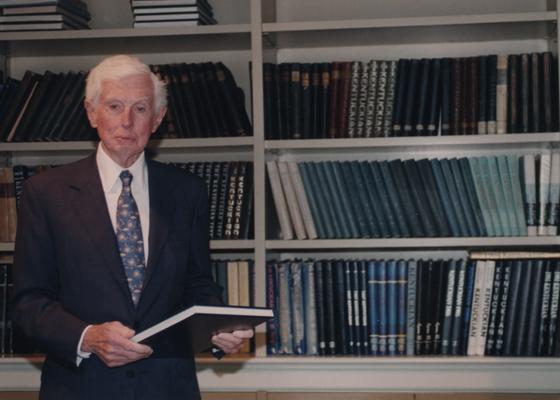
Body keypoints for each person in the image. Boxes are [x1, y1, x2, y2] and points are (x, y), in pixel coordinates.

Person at [12, 54, 253, 400]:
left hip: (169, 388)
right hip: (81, 388)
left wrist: (216, 329)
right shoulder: (46, 192)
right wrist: (87, 336)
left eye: (140, 109)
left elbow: (198, 283)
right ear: (91, 112)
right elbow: (27, 303)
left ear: (157, 119)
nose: (126, 121)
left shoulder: (188, 192)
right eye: (114, 106)